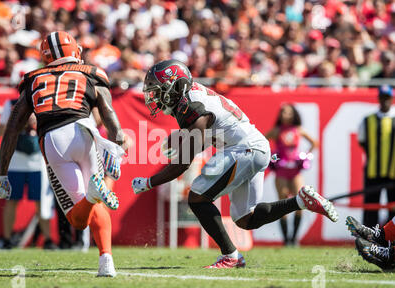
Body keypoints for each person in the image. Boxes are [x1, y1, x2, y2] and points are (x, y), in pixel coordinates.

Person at [131, 59, 338, 269]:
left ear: (175, 86)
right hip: (255, 147)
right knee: (246, 219)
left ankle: (231, 256)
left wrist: (149, 182)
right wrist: (182, 135)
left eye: (158, 90)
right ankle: (300, 201)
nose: (154, 97)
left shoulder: (191, 106)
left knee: (198, 197)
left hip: (243, 149)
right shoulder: (190, 97)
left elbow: (184, 162)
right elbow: (206, 131)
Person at [0, 31, 127, 277]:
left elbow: (13, 127)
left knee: (78, 218)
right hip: (85, 132)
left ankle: (92, 198)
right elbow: (109, 115)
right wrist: (117, 148)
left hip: (53, 139)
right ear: (75, 50)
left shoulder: (33, 78)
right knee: (93, 205)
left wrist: (2, 173)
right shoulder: (91, 72)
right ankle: (106, 260)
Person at [0, 98, 56, 250]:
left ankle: (48, 240)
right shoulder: (11, 104)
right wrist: (19, 123)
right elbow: (0, 131)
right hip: (16, 162)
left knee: (41, 202)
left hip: (38, 163)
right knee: (12, 201)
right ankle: (7, 239)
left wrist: (36, 123)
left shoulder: (46, 102)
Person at [265, 103, 318, 246]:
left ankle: (294, 238)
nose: (284, 115)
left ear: (293, 115)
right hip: (281, 171)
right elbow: (263, 142)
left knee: (300, 201)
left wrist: (305, 156)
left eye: (287, 112)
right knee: (282, 202)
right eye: (282, 112)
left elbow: (314, 143)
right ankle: (285, 239)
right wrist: (273, 158)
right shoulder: (276, 131)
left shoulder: (298, 130)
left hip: (295, 171)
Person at [357, 85, 395, 229]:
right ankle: (368, 239)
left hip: (393, 173)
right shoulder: (368, 120)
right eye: (382, 97)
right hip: (373, 171)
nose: (385, 101)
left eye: (387, 97)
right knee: (371, 207)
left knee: (393, 208)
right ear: (378, 98)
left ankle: (390, 242)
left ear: (391, 98)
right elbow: (362, 142)